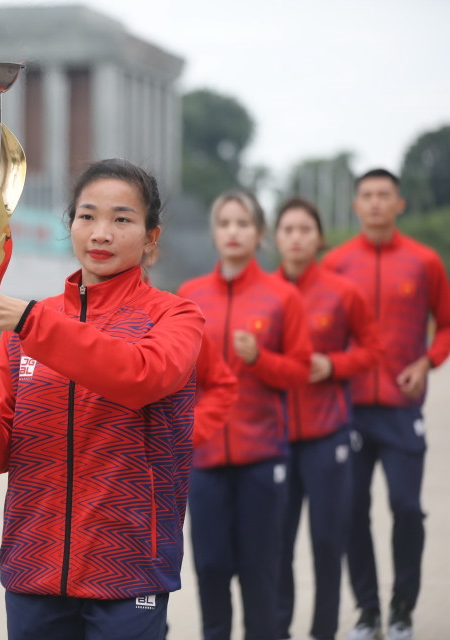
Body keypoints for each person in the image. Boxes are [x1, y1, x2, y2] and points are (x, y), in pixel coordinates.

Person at [0, 159, 205, 640]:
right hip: (34, 565)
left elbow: (141, 375)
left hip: (129, 566)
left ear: (151, 237)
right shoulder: (25, 329)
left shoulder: (175, 317)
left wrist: (30, 322)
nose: (101, 233)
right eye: (87, 216)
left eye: (122, 219)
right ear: (70, 225)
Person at [178, 189, 312, 640]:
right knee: (211, 568)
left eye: (243, 223)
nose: (233, 232)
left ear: (259, 234)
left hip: (263, 457)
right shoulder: (190, 297)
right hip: (204, 459)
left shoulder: (282, 297)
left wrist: (260, 360)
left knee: (261, 572)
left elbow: (300, 372)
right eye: (224, 223)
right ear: (214, 233)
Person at [322, 169, 450, 640]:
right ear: (356, 205)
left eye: (384, 195)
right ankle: (367, 610)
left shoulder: (424, 262)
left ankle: (402, 610)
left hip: (400, 408)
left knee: (407, 507)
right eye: (367, 195)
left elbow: (446, 324)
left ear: (400, 204)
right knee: (352, 510)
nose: (375, 202)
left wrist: (428, 361)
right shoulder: (336, 264)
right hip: (349, 410)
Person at [272, 197, 383, 640]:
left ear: (319, 238)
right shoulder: (263, 293)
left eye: (305, 229)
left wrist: (333, 365)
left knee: (326, 543)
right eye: (288, 229)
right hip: (275, 440)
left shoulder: (343, 293)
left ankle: (324, 632)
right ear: (275, 237)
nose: (296, 238)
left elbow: (372, 349)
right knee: (277, 545)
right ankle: (276, 630)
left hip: (327, 436)